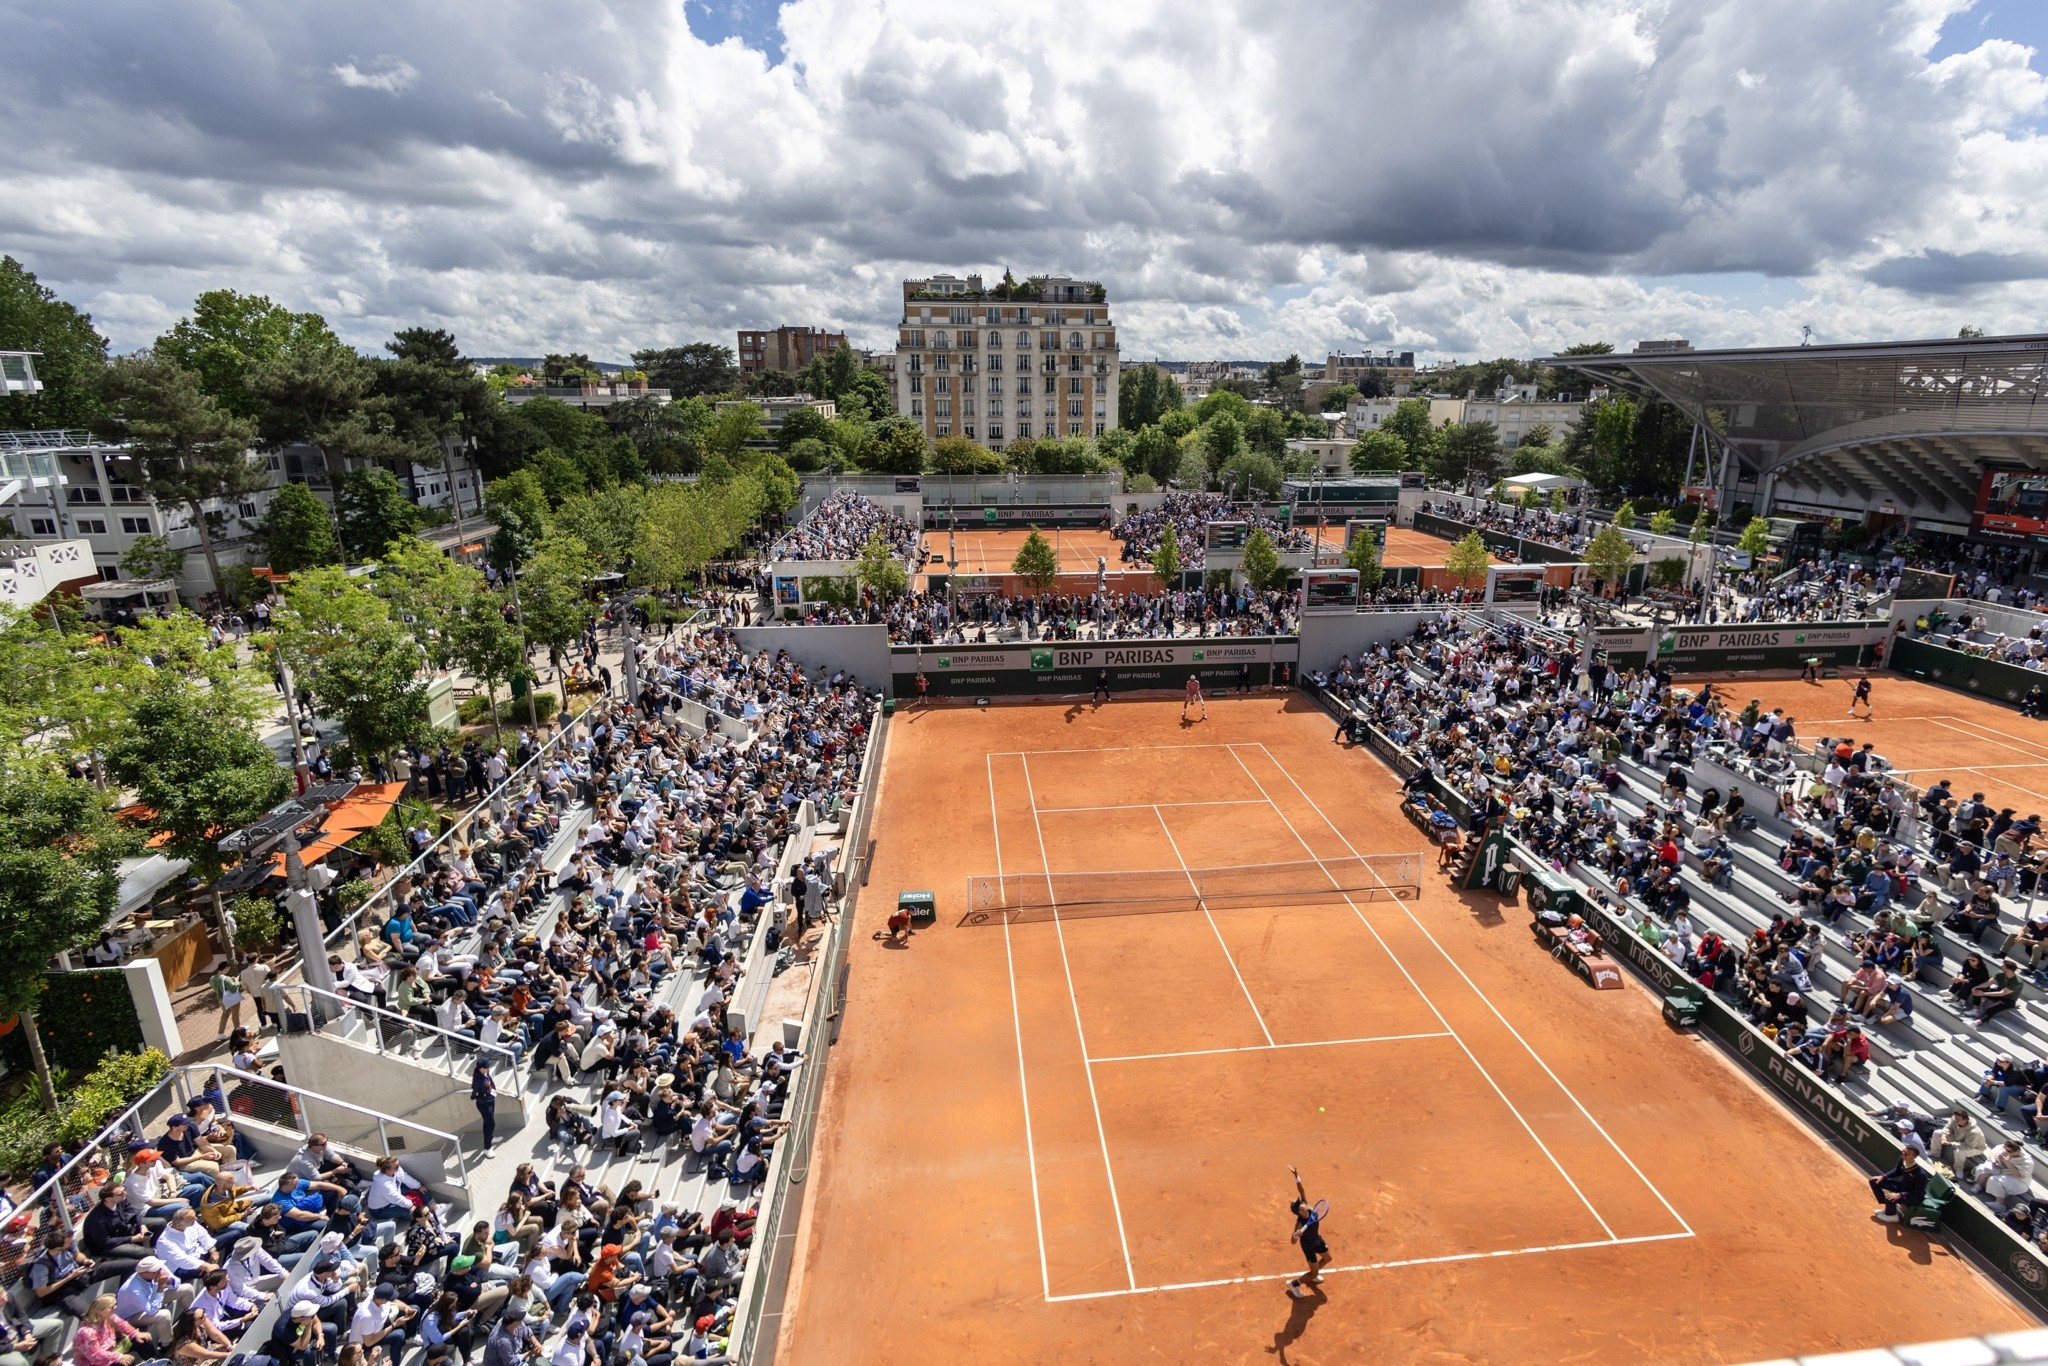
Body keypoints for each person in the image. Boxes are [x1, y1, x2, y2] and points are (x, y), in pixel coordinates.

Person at [1284, 1165, 1330, 1299]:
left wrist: (1296, 1176)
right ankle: (1294, 1284)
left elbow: (1301, 1189)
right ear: (1299, 1211)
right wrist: (1295, 1235)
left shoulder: (1307, 1206)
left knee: (1328, 1258)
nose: (1303, 1202)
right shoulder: (1299, 1223)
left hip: (1317, 1239)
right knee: (1314, 1273)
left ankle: (1313, 1274)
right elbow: (1292, 1242)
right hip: (1308, 1246)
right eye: (1300, 1204)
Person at [1870, 1145, 1928, 1223]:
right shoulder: (1902, 1160)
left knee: (1890, 1196)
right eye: (1902, 1152)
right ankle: (1889, 1209)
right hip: (1902, 1186)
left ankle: (1893, 1216)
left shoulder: (1920, 1174)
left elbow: (1918, 1192)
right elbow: (1897, 1171)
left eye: (1906, 1153)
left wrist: (1900, 1195)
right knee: (1874, 1181)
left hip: (1913, 1197)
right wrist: (1883, 1176)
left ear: (1914, 1157)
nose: (1903, 1154)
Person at [473, 1059, 498, 1153]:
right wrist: (476, 1097)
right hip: (484, 1104)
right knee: (491, 1124)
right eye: (486, 1067)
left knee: (487, 1123)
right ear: (481, 1068)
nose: (488, 1068)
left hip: (491, 1100)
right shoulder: (478, 1078)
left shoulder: (486, 1073)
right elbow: (474, 1090)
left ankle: (490, 1138)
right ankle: (487, 1148)